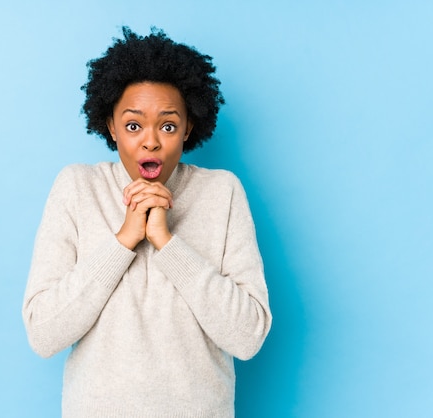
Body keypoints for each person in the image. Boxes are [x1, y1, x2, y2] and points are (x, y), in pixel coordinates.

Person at [22, 27, 271, 418]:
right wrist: (124, 240)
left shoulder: (222, 193)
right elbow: (43, 333)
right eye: (134, 125)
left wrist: (167, 242)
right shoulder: (77, 187)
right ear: (111, 127)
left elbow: (248, 336)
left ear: (188, 127)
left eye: (168, 126)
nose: (150, 142)